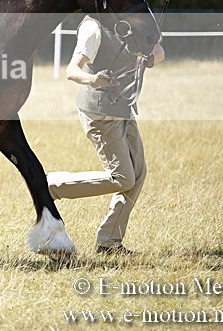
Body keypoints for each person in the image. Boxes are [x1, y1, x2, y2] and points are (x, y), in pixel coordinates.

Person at [46, 14, 164, 255]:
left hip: (124, 107)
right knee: (123, 178)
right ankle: (52, 186)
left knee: (138, 174)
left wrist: (151, 59)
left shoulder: (132, 22)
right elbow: (72, 70)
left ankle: (109, 242)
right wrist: (93, 79)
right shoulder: (93, 28)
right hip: (99, 112)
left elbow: (160, 48)